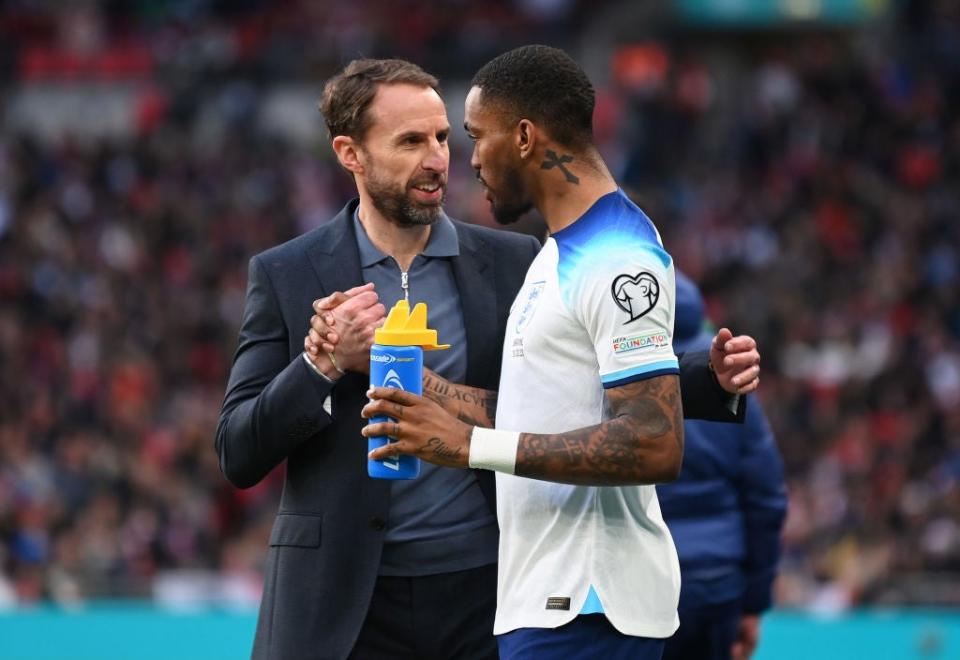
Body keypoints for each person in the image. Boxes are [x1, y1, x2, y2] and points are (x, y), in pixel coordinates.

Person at [218, 57, 758, 660]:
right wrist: (319, 364)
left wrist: (707, 380)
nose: (439, 159)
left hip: (484, 591)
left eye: (445, 137)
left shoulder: (514, 259)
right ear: (351, 153)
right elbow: (239, 451)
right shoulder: (288, 273)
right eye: (411, 141)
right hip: (342, 604)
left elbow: (558, 387)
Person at [358, 45, 737, 659]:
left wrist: (470, 447)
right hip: (550, 605)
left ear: (526, 137)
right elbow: (550, 410)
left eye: (478, 137)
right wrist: (423, 390)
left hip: (588, 608)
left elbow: (653, 440)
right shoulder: (558, 252)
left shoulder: (617, 257)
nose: (471, 159)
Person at [658, 272, 787, 660]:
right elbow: (767, 499)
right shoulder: (731, 375)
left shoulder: (619, 372)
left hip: (642, 582)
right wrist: (753, 603)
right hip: (716, 585)